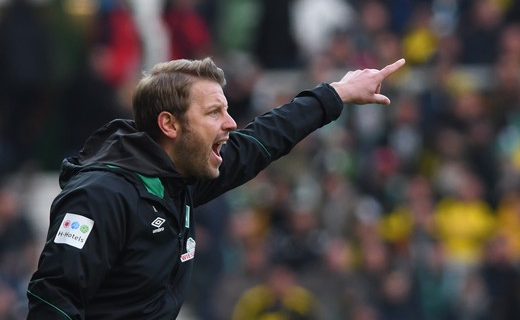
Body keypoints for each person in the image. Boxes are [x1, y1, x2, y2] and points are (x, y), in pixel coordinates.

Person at [26, 56, 406, 319]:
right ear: (170, 125)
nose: (230, 123)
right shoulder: (101, 196)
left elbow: (262, 140)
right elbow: (54, 300)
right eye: (213, 113)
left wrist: (335, 94)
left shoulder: (177, 181)